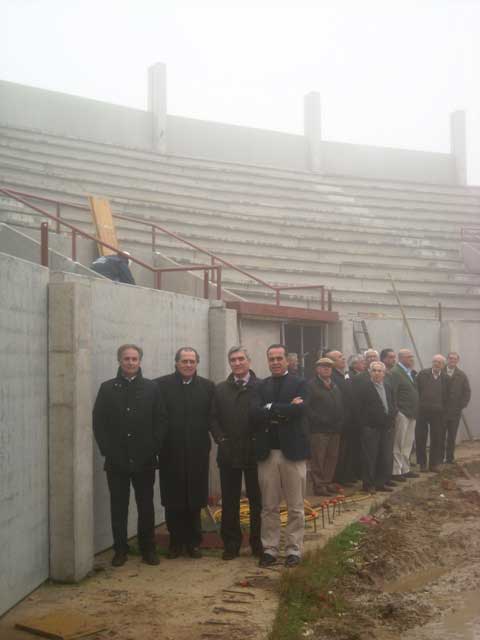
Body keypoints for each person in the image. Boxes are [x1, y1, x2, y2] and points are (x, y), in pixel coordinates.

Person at [93, 344, 166, 566]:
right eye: (127, 359)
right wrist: (108, 451)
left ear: (140, 361)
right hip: (117, 461)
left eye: (134, 359)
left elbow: (161, 421)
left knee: (145, 506)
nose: (131, 362)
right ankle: (120, 550)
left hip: (144, 460)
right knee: (118, 506)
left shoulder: (152, 388)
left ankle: (148, 549)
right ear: (119, 361)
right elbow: (99, 422)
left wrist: (152, 448)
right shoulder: (107, 388)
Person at [250, 344, 309, 568]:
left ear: (287, 360)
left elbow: (301, 411)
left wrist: (270, 408)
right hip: (268, 454)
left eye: (279, 358)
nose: (275, 362)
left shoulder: (301, 383)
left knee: (295, 506)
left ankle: (294, 550)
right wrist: (284, 409)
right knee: (269, 506)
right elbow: (254, 414)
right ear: (267, 361)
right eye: (271, 358)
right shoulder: (260, 385)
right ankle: (270, 549)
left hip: (293, 453)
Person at [156, 347, 215, 559]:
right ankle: (175, 542)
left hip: (197, 451)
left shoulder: (208, 387)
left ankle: (194, 542)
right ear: (176, 363)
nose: (188, 365)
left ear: (197, 363)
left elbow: (212, 418)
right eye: (184, 361)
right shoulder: (161, 385)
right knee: (173, 499)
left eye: (192, 361)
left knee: (195, 498)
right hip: (169, 452)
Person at [210, 346, 262, 560]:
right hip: (229, 453)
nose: (237, 363)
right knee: (229, 500)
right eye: (233, 360)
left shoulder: (261, 387)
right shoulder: (220, 389)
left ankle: (258, 543)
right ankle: (231, 544)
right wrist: (221, 439)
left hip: (255, 453)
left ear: (249, 361)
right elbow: (212, 418)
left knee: (257, 500)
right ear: (229, 363)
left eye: (241, 359)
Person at [355, 361, 397, 493]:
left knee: (384, 456)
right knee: (370, 457)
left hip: (386, 427)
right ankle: (368, 484)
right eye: (374, 370)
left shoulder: (388, 386)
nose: (377, 373)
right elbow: (358, 408)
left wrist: (392, 417)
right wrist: (364, 425)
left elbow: (392, 403)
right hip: (370, 427)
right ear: (370, 372)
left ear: (384, 373)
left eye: (380, 371)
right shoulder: (363, 387)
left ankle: (381, 482)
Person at [305, 358, 344, 496]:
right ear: (317, 369)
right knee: (318, 459)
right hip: (319, 430)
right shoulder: (311, 386)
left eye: (329, 367)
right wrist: (319, 420)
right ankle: (319, 485)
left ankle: (327, 483)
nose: (327, 369)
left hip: (334, 429)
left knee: (331, 457)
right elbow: (307, 408)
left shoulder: (334, 385)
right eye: (323, 366)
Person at [325, 349, 356, 485]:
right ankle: (339, 478)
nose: (343, 359)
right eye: (339, 357)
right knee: (338, 453)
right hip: (339, 421)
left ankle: (347, 475)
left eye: (343, 356)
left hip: (350, 419)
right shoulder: (333, 378)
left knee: (348, 450)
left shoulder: (344, 375)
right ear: (331, 362)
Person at [389, 349, 419, 481]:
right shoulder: (396, 372)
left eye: (412, 357)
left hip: (412, 413)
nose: (412, 359)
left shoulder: (410, 373)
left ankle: (405, 468)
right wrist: (397, 411)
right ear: (401, 358)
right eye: (409, 357)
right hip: (402, 413)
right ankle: (396, 471)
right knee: (398, 443)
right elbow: (393, 393)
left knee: (408, 443)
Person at [415, 355, 449, 472]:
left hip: (438, 413)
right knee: (421, 438)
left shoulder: (446, 378)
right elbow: (416, 391)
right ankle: (422, 464)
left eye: (439, 362)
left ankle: (433, 464)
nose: (436, 364)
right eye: (434, 361)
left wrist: (444, 410)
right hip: (422, 412)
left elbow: (447, 396)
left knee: (437, 438)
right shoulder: (422, 374)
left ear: (443, 365)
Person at [444, 352, 471, 463]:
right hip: (441, 411)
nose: (452, 361)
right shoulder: (441, 372)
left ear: (457, 361)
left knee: (452, 436)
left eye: (455, 359)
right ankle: (438, 458)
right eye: (450, 358)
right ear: (447, 359)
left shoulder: (461, 375)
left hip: (455, 412)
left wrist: (461, 405)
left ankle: (450, 458)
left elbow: (467, 392)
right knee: (439, 435)